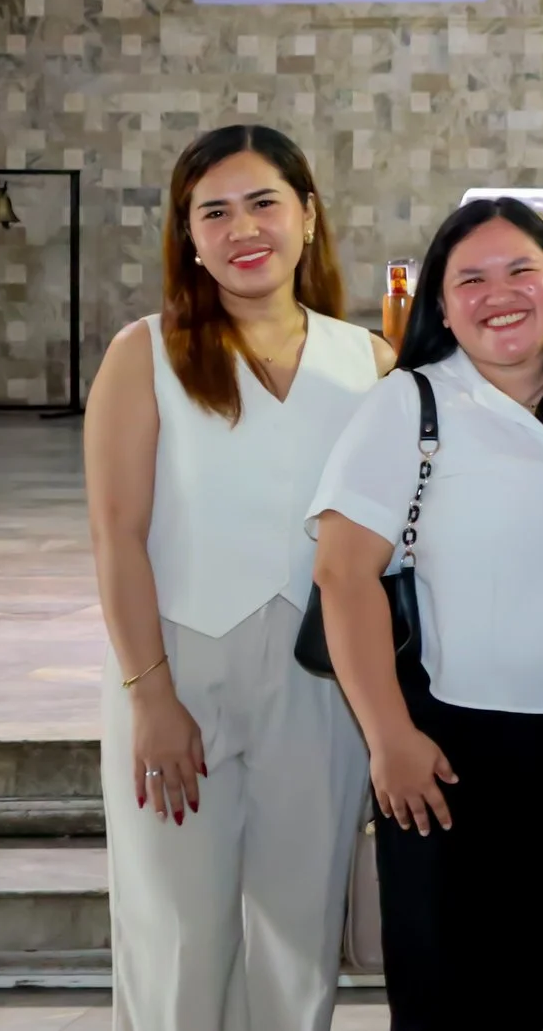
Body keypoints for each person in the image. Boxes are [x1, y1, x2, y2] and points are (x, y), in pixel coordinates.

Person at [81, 123, 387, 1030]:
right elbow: (116, 534)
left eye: (263, 202)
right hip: (179, 668)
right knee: (178, 934)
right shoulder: (146, 353)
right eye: (214, 211)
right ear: (188, 232)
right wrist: (150, 696)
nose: (242, 227)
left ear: (307, 215)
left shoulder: (366, 360)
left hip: (320, 682)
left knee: (296, 939)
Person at [307, 197, 543, 1029]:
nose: (499, 293)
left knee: (517, 986)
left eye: (521, 271)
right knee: (442, 996)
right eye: (471, 277)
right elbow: (342, 573)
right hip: (445, 747)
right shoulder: (411, 404)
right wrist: (390, 737)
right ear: (440, 302)